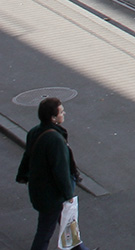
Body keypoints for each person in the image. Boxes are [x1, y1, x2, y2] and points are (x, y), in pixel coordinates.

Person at [15, 96, 85, 250]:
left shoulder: (34, 132)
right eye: (61, 112)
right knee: (45, 231)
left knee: (68, 225)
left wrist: (21, 175)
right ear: (53, 118)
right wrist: (68, 196)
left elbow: (27, 156)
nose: (64, 114)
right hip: (52, 195)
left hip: (40, 190)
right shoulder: (55, 139)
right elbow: (60, 171)